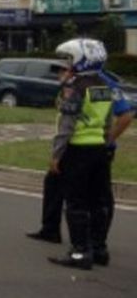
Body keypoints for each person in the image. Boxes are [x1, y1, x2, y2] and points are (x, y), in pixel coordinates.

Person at [28, 56, 134, 251]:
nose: (68, 67)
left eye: (71, 62)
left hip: (87, 147)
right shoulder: (81, 81)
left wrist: (107, 140)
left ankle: (89, 244)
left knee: (90, 198)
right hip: (83, 146)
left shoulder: (101, 83)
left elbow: (125, 116)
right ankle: (52, 229)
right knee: (54, 182)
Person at [46, 38, 115, 270]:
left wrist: (56, 155)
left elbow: (66, 125)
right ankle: (99, 249)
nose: (67, 64)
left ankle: (79, 253)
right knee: (98, 202)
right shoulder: (103, 87)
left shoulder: (75, 87)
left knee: (76, 203)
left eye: (69, 59)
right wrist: (106, 145)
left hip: (77, 151)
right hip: (99, 151)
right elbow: (108, 122)